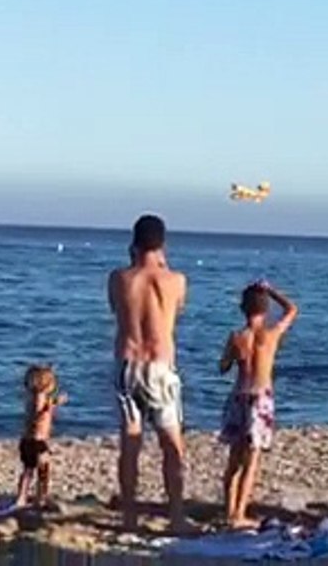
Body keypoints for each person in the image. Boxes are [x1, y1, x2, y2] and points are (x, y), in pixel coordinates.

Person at [108, 214, 188, 531]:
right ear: (163, 244)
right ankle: (177, 516)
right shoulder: (175, 280)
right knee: (171, 444)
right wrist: (162, 265)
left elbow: (116, 308)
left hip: (127, 363)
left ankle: (129, 516)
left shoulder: (119, 278)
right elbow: (176, 310)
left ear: (134, 243)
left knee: (130, 443)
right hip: (160, 367)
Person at [219, 279, 299, 529]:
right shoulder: (271, 334)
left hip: (238, 396)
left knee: (234, 460)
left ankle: (229, 510)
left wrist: (234, 356)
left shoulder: (236, 337)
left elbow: (223, 367)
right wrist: (272, 289)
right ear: (265, 309)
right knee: (251, 461)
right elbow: (292, 309)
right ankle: (239, 513)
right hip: (260, 398)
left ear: (243, 309)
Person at [14, 364, 68, 509]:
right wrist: (55, 403)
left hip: (27, 440)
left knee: (28, 469)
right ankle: (40, 497)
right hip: (37, 441)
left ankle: (22, 497)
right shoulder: (40, 397)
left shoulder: (31, 396)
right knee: (43, 469)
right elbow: (40, 413)